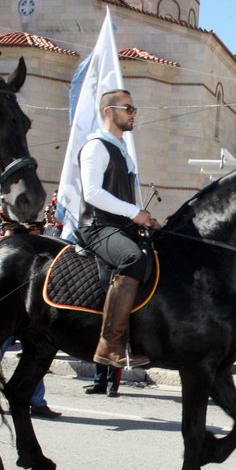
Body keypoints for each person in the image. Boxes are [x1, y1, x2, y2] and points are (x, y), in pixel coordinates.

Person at [78, 89, 155, 369]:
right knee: (132, 258)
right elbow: (92, 193)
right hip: (97, 226)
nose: (133, 113)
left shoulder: (122, 150)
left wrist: (145, 217)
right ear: (108, 111)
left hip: (121, 225)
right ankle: (108, 345)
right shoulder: (96, 146)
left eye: (134, 109)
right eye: (128, 108)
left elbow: (125, 197)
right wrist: (135, 213)